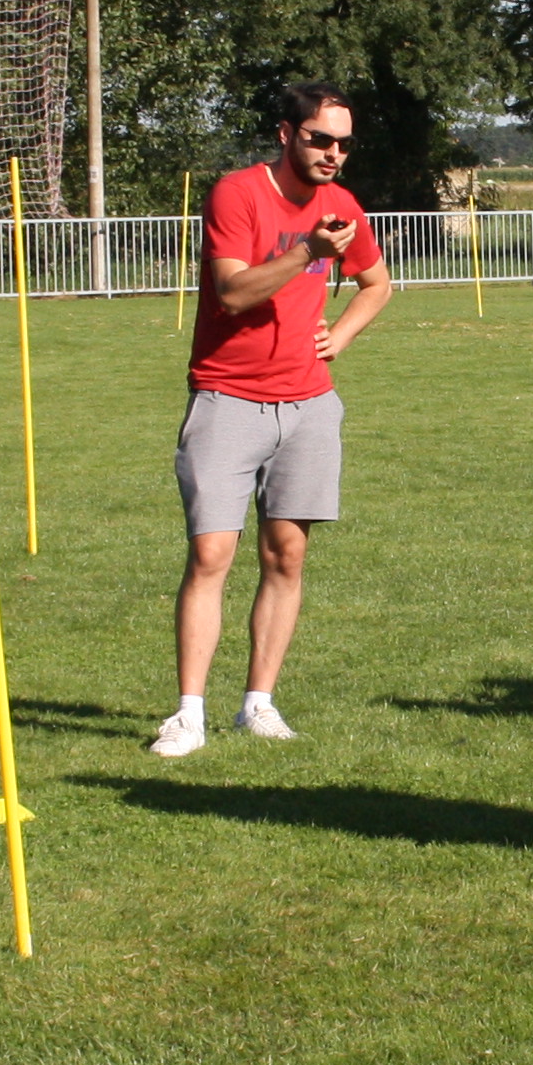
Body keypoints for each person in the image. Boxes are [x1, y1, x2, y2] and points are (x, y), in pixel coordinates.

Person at [150, 84, 396, 759]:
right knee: (211, 555)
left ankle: (258, 704)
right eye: (320, 138)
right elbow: (232, 292)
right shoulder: (236, 193)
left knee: (286, 554)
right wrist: (304, 251)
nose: (333, 154)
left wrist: (339, 337)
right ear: (286, 133)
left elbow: (377, 283)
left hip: (310, 405)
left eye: (344, 143)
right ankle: (188, 715)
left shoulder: (343, 206)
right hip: (228, 398)